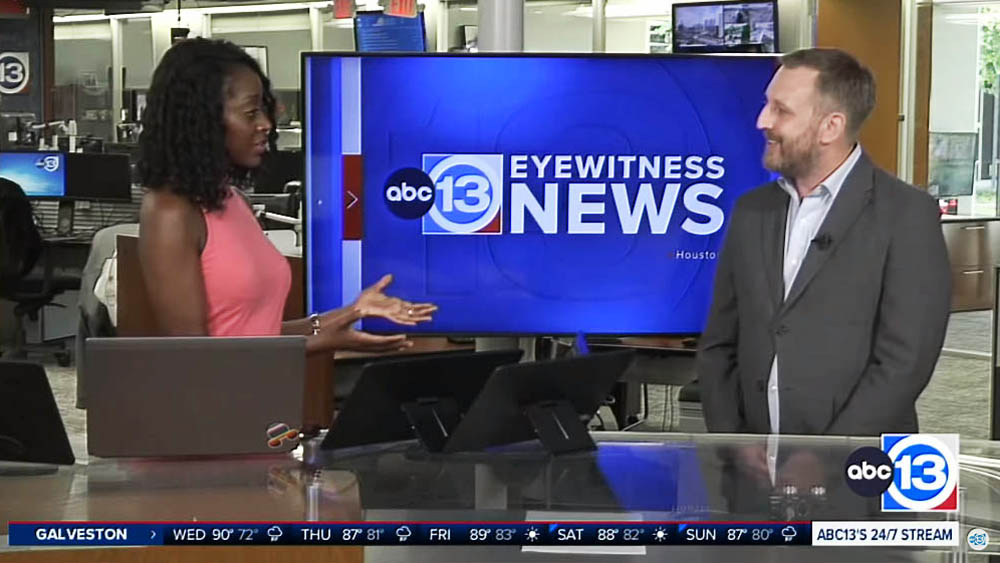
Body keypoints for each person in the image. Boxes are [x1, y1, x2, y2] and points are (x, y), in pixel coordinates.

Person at [697, 48, 951, 437]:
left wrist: (828, 455)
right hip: (749, 467)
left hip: (858, 470)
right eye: (767, 105)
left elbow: (905, 362)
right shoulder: (752, 211)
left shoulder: (907, 215)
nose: (762, 121)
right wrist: (732, 441)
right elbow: (719, 343)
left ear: (830, 127)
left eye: (781, 110)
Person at [136, 38, 436, 352]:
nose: (266, 124)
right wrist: (318, 342)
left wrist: (353, 312)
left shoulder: (232, 200)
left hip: (270, 394)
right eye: (251, 113)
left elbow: (254, 332)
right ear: (202, 119)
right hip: (219, 400)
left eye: (264, 110)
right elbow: (194, 357)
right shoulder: (169, 212)